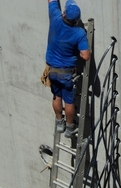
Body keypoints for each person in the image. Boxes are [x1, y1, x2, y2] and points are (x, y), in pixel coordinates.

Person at [46, 0, 90, 138]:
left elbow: (51, 1)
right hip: (66, 73)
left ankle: (60, 122)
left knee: (56, 96)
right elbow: (85, 56)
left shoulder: (56, 18)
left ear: (64, 14)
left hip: (51, 70)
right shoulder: (79, 33)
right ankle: (70, 128)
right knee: (69, 102)